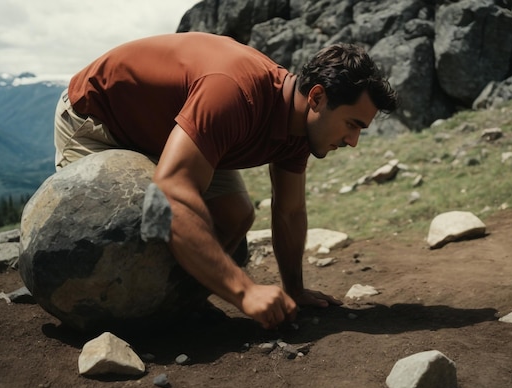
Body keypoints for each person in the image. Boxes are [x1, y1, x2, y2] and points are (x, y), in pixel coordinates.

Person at [54, 32, 398, 330]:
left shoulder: (300, 128)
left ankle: (176, 306)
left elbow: (290, 211)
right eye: (352, 124)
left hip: (171, 130)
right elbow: (170, 195)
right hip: (97, 119)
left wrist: (295, 290)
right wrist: (245, 291)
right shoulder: (235, 92)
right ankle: (112, 323)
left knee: (235, 214)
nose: (353, 141)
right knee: (112, 234)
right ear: (317, 98)